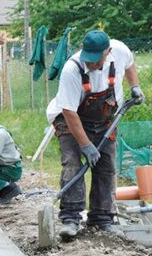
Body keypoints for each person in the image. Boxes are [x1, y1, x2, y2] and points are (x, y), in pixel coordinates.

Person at [46, 29, 145, 239]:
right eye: (88, 59)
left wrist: (134, 86)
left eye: (95, 60)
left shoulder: (119, 50)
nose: (91, 64)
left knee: (106, 167)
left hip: (104, 119)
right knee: (73, 163)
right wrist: (85, 145)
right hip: (69, 118)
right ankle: (70, 218)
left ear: (107, 52)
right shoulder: (71, 70)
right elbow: (69, 112)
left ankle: (102, 218)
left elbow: (130, 64)